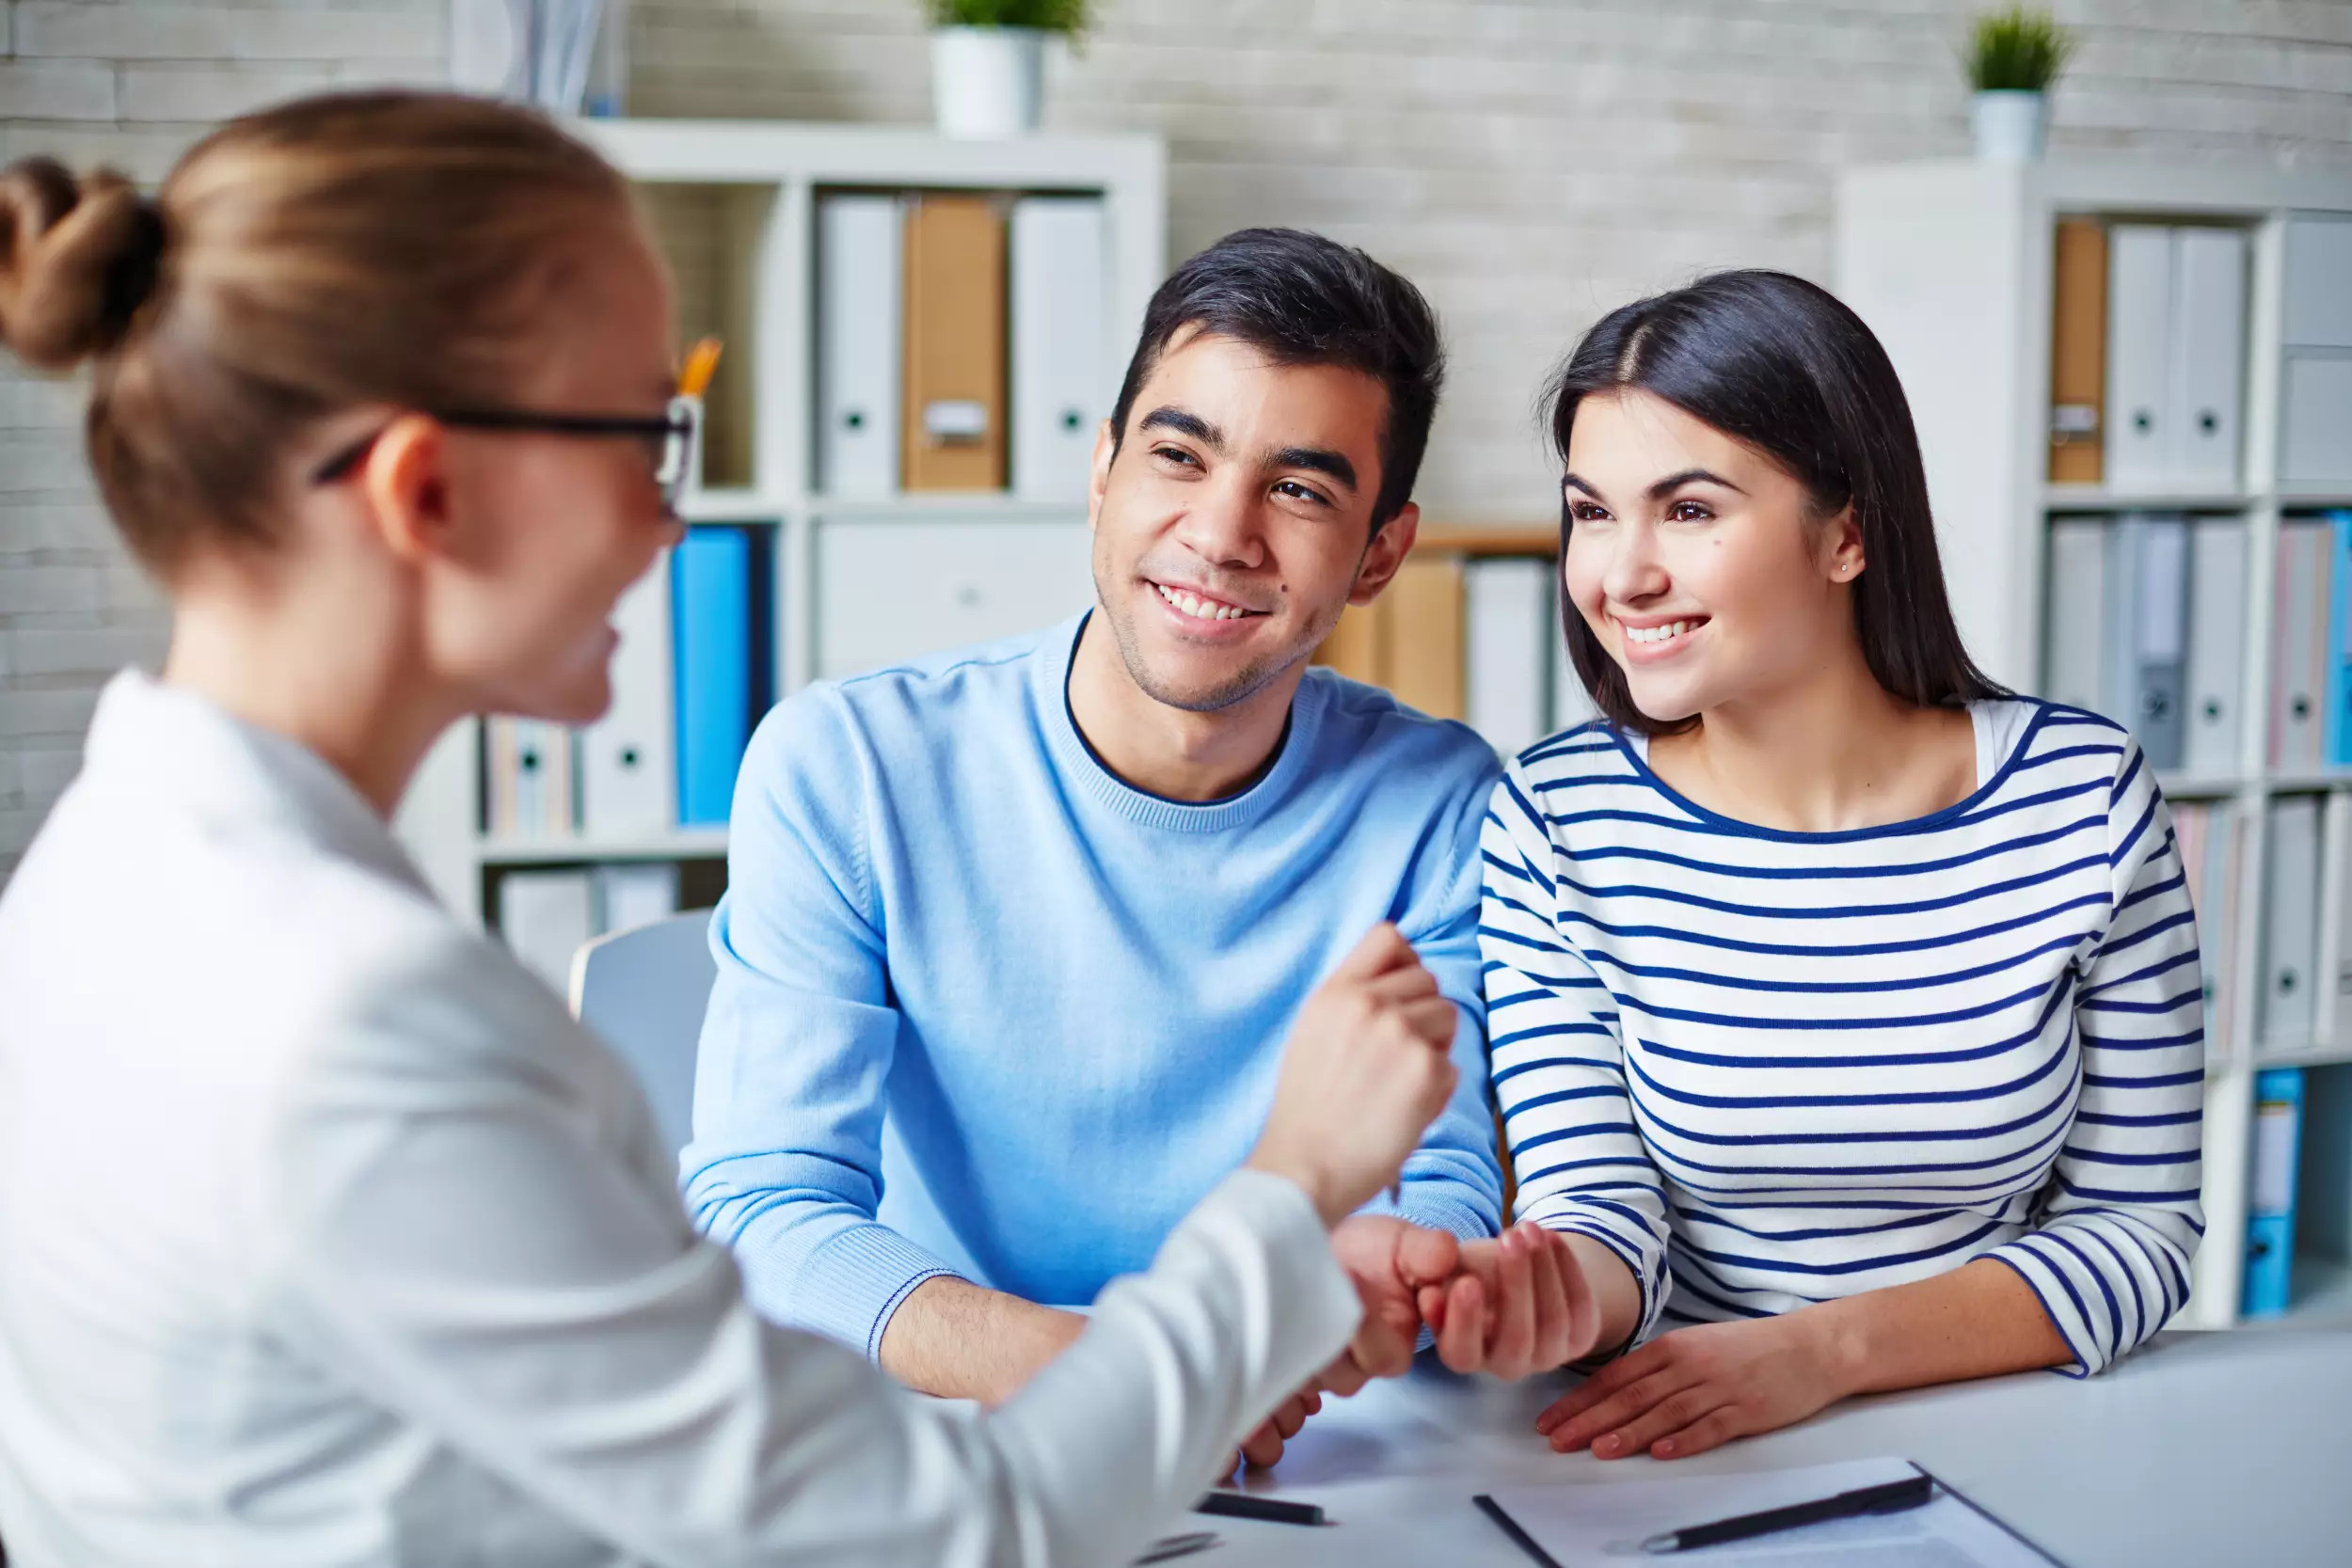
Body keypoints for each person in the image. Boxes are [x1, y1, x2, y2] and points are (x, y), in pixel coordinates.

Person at [0, 93, 1471, 1567]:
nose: (669, 523)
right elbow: (969, 1525)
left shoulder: (105, 872)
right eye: (645, 437)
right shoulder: (367, 1026)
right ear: (428, 490)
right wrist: (1293, 1180)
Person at [688, 227, 1595, 1464]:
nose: (1222, 532)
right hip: (948, 1438)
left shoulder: (1434, 799)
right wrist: (1107, 1377)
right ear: (1105, 467)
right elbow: (763, 1207)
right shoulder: (846, 764)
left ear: (1381, 549)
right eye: (1181, 454)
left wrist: (1388, 1280)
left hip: (1299, 1439)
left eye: (1301, 487)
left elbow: (1430, 1175)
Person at [1470, 270, 2205, 1462]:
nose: (1620, 573)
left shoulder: (2081, 798)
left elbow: (2140, 1230)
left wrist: (1818, 1352)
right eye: (1591, 512)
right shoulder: (1558, 818)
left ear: (1849, 531)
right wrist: (1537, 1293)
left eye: (1689, 510)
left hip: (1999, 1425)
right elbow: (1597, 1209)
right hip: (1683, 1442)